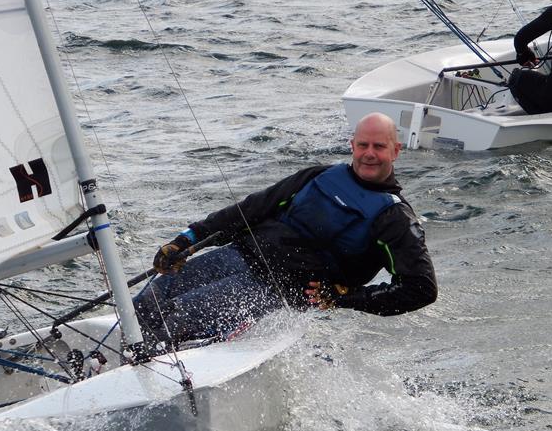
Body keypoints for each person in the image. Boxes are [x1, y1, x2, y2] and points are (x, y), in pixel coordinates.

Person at [134, 112, 437, 346]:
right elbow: (251, 209)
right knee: (143, 306)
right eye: (363, 145)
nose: (369, 153)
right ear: (352, 146)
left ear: (396, 151)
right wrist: (187, 240)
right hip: (237, 256)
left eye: (379, 146)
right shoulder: (319, 176)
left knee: (169, 324)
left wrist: (346, 297)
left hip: (274, 290)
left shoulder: (395, 216)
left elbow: (421, 288)